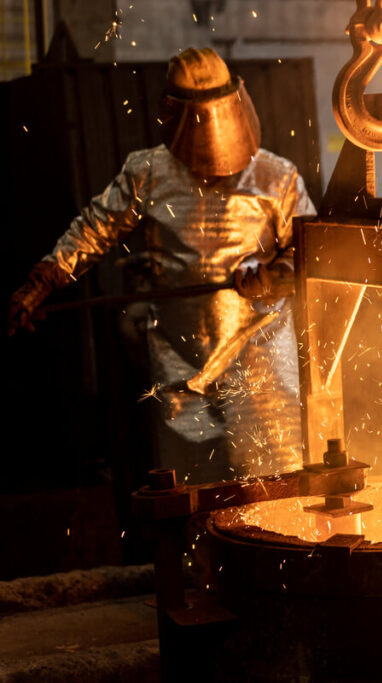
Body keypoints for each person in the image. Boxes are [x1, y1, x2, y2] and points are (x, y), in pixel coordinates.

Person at [7, 47, 315, 484]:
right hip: (180, 357)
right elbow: (95, 230)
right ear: (174, 114)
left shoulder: (276, 177)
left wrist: (276, 276)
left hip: (258, 350)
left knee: (275, 482)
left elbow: (310, 248)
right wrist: (46, 278)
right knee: (190, 491)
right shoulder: (148, 172)